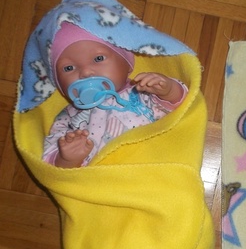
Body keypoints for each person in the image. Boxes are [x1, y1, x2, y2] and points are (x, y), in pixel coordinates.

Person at [43, 23, 187, 168]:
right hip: (105, 178)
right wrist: (66, 159)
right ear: (59, 84)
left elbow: (179, 109)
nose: (86, 73)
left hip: (152, 167)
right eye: (69, 68)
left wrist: (168, 90)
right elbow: (50, 163)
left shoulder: (141, 91)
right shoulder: (69, 116)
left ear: (127, 64)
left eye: (98, 59)